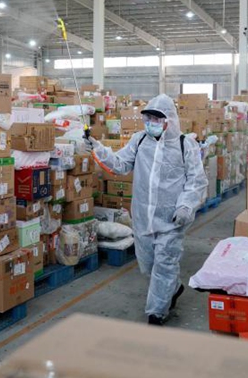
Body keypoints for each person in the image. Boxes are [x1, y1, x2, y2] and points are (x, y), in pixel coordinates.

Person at [86, 94, 208, 325]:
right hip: (143, 217)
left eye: (156, 118)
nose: (151, 122)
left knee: (164, 263)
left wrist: (185, 205)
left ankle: (156, 312)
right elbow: (120, 165)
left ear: (169, 120)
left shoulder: (185, 145)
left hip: (172, 219)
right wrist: (97, 147)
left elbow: (196, 181)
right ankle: (174, 288)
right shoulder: (140, 140)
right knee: (149, 265)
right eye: (148, 118)